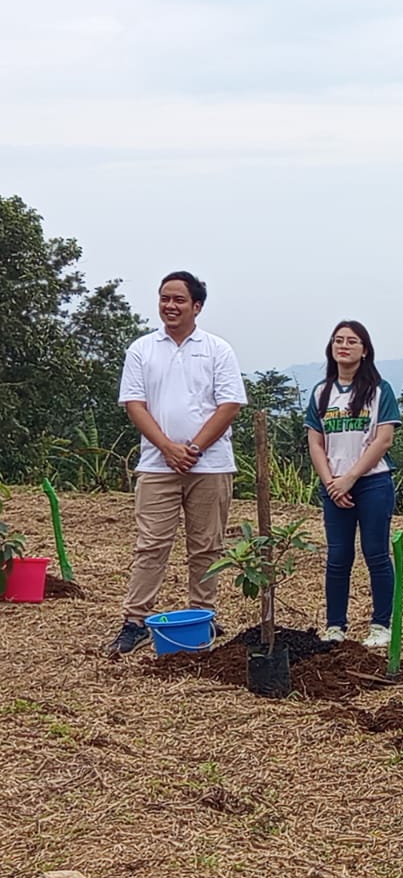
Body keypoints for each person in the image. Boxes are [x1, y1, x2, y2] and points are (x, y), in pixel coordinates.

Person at [108, 271, 245, 656]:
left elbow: (229, 405)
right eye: (164, 298)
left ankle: (203, 615)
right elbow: (134, 404)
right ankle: (135, 621)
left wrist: (194, 448)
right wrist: (168, 447)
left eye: (179, 300)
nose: (170, 306)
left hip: (211, 465)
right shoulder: (142, 349)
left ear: (196, 306)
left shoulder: (218, 349)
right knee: (151, 544)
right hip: (156, 465)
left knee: (207, 545)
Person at [306, 320, 402, 648]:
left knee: (376, 553)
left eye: (352, 341)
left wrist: (350, 478)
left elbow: (383, 440)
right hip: (334, 485)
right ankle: (335, 626)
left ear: (365, 351)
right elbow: (315, 442)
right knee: (338, 557)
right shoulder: (321, 392)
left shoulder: (379, 390)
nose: (343, 346)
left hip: (372, 483)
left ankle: (381, 625)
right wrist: (331, 482)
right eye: (338, 340)